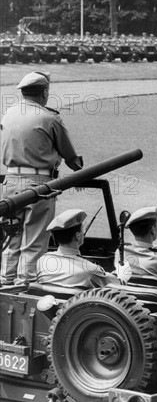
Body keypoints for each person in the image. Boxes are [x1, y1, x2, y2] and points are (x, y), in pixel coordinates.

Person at [1, 71, 83, 286]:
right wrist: (78, 167)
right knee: (34, 241)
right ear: (45, 92)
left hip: (10, 183)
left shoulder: (8, 114)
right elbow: (71, 156)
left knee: (12, 238)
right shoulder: (48, 117)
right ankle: (25, 286)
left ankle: (6, 281)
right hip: (38, 185)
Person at [36, 209, 120, 290]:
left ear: (54, 237)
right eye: (83, 230)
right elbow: (117, 285)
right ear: (78, 236)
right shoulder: (91, 270)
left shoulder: (42, 261)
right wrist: (121, 272)